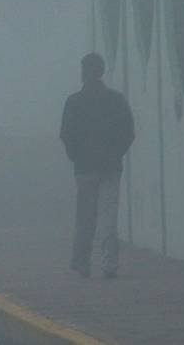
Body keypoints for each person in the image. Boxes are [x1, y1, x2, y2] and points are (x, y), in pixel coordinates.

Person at [59, 52, 134, 279]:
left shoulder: (74, 102)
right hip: (110, 167)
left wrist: (77, 157)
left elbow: (66, 134)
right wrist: (115, 153)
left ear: (84, 73)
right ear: (102, 72)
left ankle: (82, 263)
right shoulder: (116, 100)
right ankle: (109, 264)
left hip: (85, 169)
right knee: (108, 217)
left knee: (85, 218)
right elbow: (128, 132)